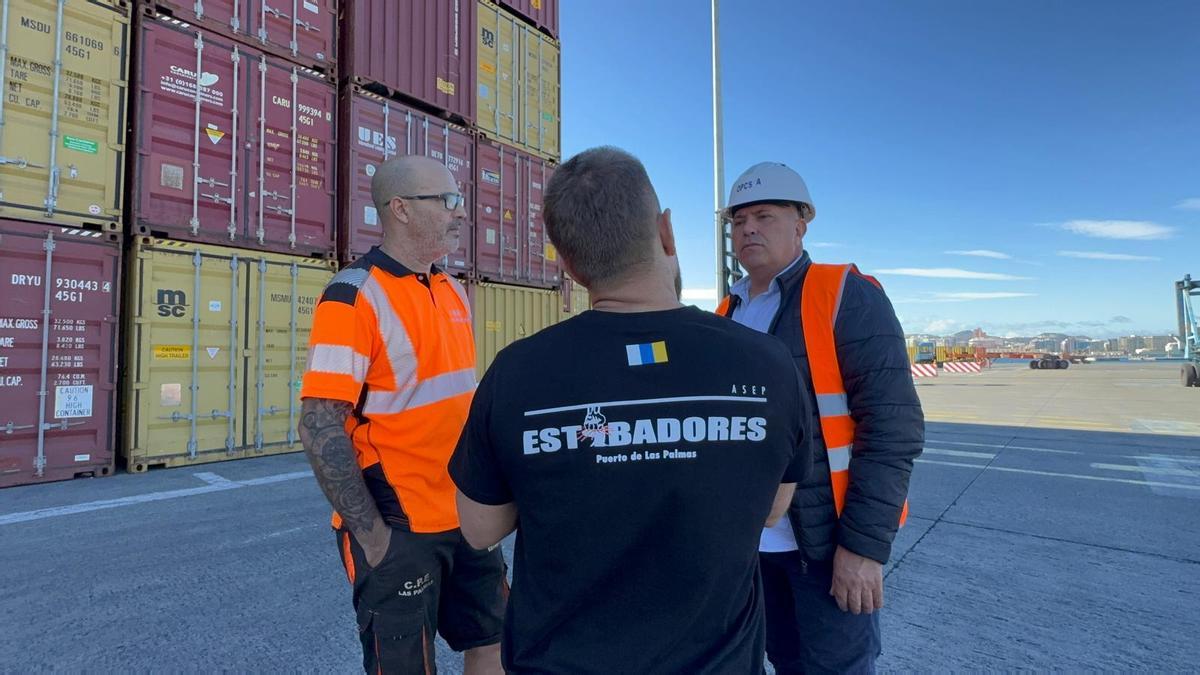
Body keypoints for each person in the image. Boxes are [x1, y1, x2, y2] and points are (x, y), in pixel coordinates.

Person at [448, 146, 814, 674]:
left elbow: (480, 529)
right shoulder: (767, 362)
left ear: (567, 262)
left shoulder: (518, 372)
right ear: (666, 232)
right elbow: (771, 508)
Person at [298, 156, 505, 675]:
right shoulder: (353, 297)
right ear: (401, 210)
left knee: (497, 642)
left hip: (466, 514)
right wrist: (372, 537)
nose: (462, 213)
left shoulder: (452, 290)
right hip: (398, 526)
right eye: (447, 201)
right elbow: (320, 423)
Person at [716, 161, 925, 674]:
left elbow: (892, 429)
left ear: (801, 223)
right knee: (783, 662)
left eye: (764, 216)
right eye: (738, 221)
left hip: (827, 546)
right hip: (753, 548)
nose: (748, 230)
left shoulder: (846, 296)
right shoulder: (727, 313)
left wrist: (863, 549)